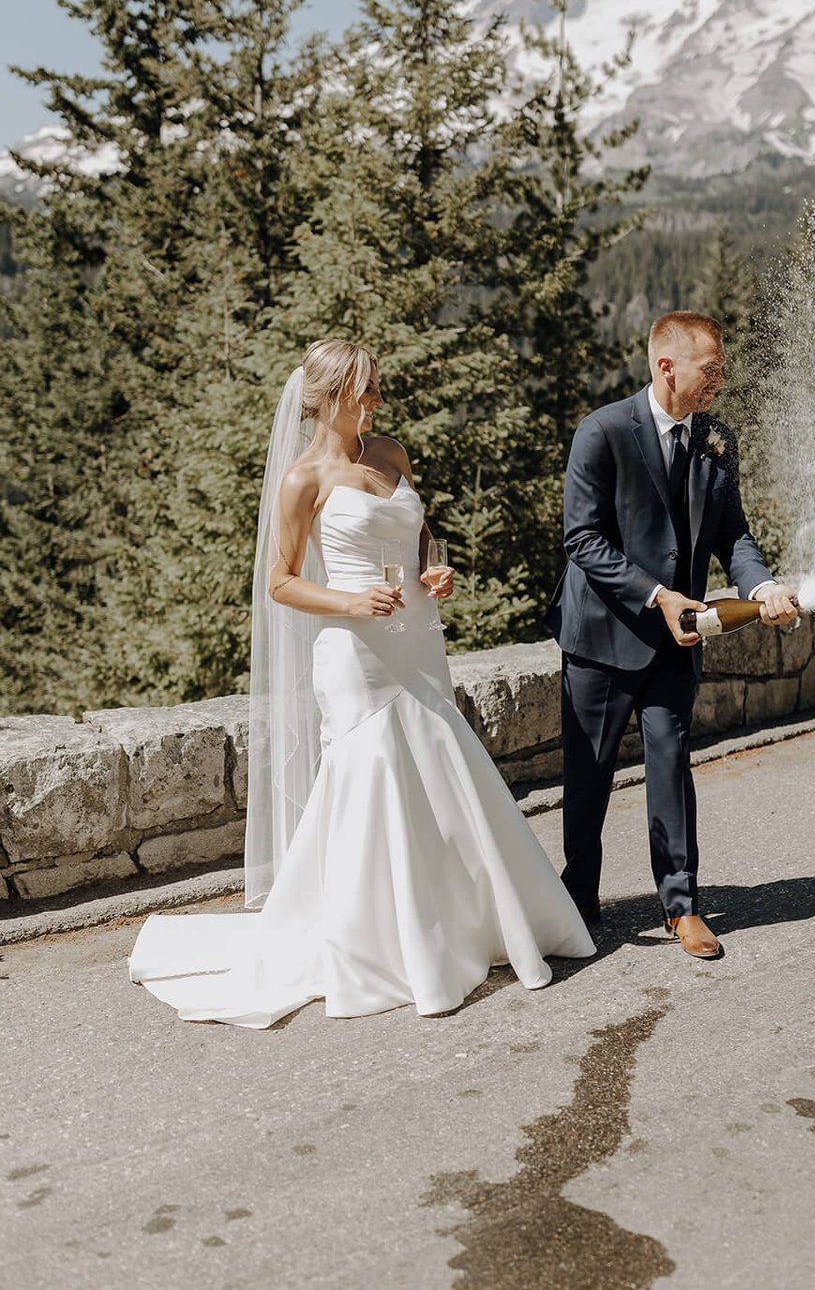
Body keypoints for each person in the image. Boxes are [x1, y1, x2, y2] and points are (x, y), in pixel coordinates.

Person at [129, 339, 594, 1026]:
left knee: (441, 770)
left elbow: (421, 537)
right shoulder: (302, 480)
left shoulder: (392, 454)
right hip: (354, 654)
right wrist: (349, 604)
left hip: (417, 642)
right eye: (365, 390)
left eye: (377, 387)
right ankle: (378, 946)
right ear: (330, 396)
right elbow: (280, 581)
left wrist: (436, 568)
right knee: (372, 777)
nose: (376, 400)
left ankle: (464, 928)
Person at [547, 311, 798, 959]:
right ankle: (578, 898)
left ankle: (681, 905)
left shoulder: (718, 440)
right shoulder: (600, 432)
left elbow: (732, 536)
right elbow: (582, 540)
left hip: (676, 641)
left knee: (670, 764)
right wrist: (657, 596)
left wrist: (761, 587)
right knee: (589, 776)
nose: (719, 381)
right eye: (710, 370)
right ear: (667, 366)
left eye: (721, 369)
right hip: (600, 637)